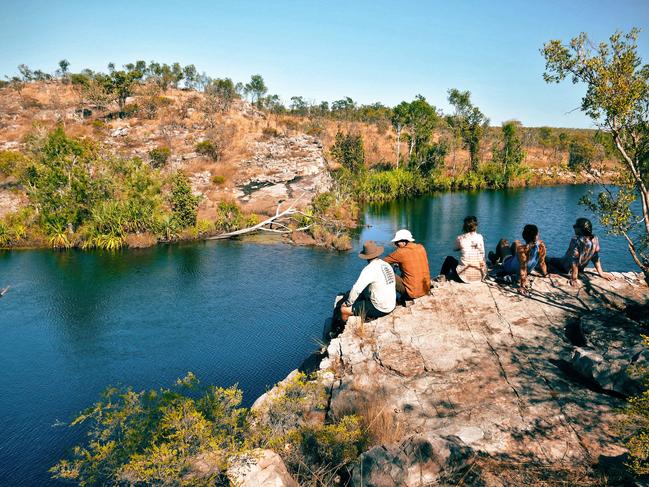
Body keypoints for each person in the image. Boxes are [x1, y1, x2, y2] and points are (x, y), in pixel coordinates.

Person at [340, 240, 396, 323]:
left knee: (344, 309)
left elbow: (356, 289)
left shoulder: (369, 269)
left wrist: (347, 303)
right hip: (391, 304)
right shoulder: (386, 265)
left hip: (381, 308)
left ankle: (341, 328)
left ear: (366, 256)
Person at [547, 217, 614, 286]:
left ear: (580, 229)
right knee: (551, 260)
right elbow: (595, 257)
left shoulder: (576, 240)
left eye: (576, 226)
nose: (573, 227)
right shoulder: (595, 239)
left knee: (548, 259)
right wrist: (601, 273)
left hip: (565, 266)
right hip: (579, 268)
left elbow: (574, 260)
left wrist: (574, 278)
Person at [489, 224, 548, 290]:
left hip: (509, 267)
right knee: (516, 242)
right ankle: (505, 256)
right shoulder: (541, 245)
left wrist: (522, 286)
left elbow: (523, 268)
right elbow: (542, 263)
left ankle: (495, 258)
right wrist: (545, 274)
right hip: (528, 269)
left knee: (503, 241)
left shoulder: (522, 250)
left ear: (524, 236)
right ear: (536, 235)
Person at [383, 229, 431, 300]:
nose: (396, 245)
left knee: (387, 273)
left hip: (412, 294)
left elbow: (382, 263)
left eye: (397, 242)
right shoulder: (421, 247)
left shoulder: (400, 252)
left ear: (404, 241)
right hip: (426, 290)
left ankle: (391, 301)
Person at [439, 216, 486, 283]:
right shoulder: (480, 237)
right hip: (479, 276)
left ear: (464, 226)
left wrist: (463, 247)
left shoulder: (460, 238)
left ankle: (441, 278)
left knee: (449, 259)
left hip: (464, 278)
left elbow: (455, 249)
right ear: (476, 225)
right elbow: (483, 254)